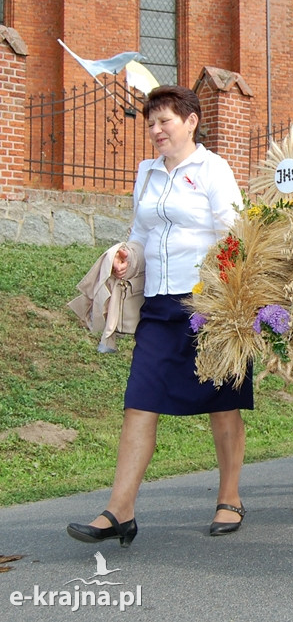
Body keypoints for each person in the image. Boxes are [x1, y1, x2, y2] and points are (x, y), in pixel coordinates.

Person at [67, 85, 249, 546]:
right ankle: (119, 510)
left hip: (209, 304)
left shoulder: (213, 168)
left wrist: (227, 299)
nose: (156, 130)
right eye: (151, 122)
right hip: (158, 305)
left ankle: (229, 497)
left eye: (165, 121)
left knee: (222, 404)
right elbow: (141, 233)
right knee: (139, 402)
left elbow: (235, 233)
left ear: (190, 121)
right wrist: (128, 255)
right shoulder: (147, 173)